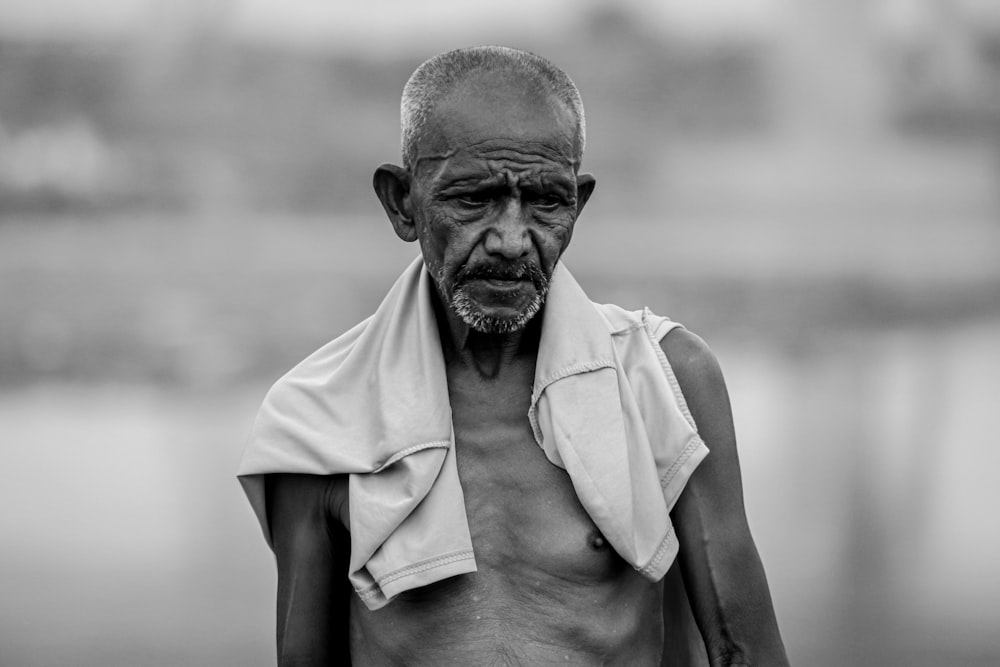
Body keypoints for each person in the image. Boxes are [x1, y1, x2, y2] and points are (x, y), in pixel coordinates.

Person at [238, 46, 789, 666]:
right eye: (473, 199)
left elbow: (744, 653)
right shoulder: (319, 418)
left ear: (577, 203)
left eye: (545, 201)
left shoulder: (664, 381)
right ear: (402, 202)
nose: (510, 240)